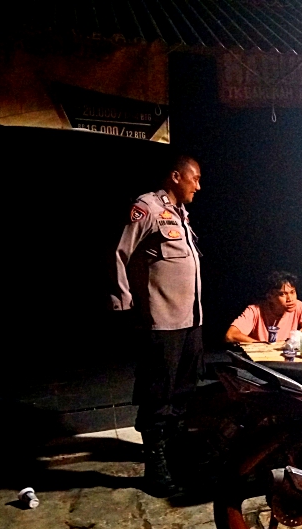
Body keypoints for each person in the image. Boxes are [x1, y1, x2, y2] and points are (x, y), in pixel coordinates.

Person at [110, 154, 204, 497]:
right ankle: (156, 467)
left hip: (190, 320)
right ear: (176, 176)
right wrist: (123, 303)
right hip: (162, 322)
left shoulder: (181, 215)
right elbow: (119, 253)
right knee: (158, 395)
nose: (198, 186)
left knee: (183, 392)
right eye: (194, 178)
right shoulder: (147, 208)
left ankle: (176, 456)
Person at [225, 270, 302, 343]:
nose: (290, 299)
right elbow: (230, 335)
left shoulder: (298, 306)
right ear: (270, 297)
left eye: (292, 292)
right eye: (282, 294)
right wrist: (262, 346)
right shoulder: (255, 310)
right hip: (262, 361)